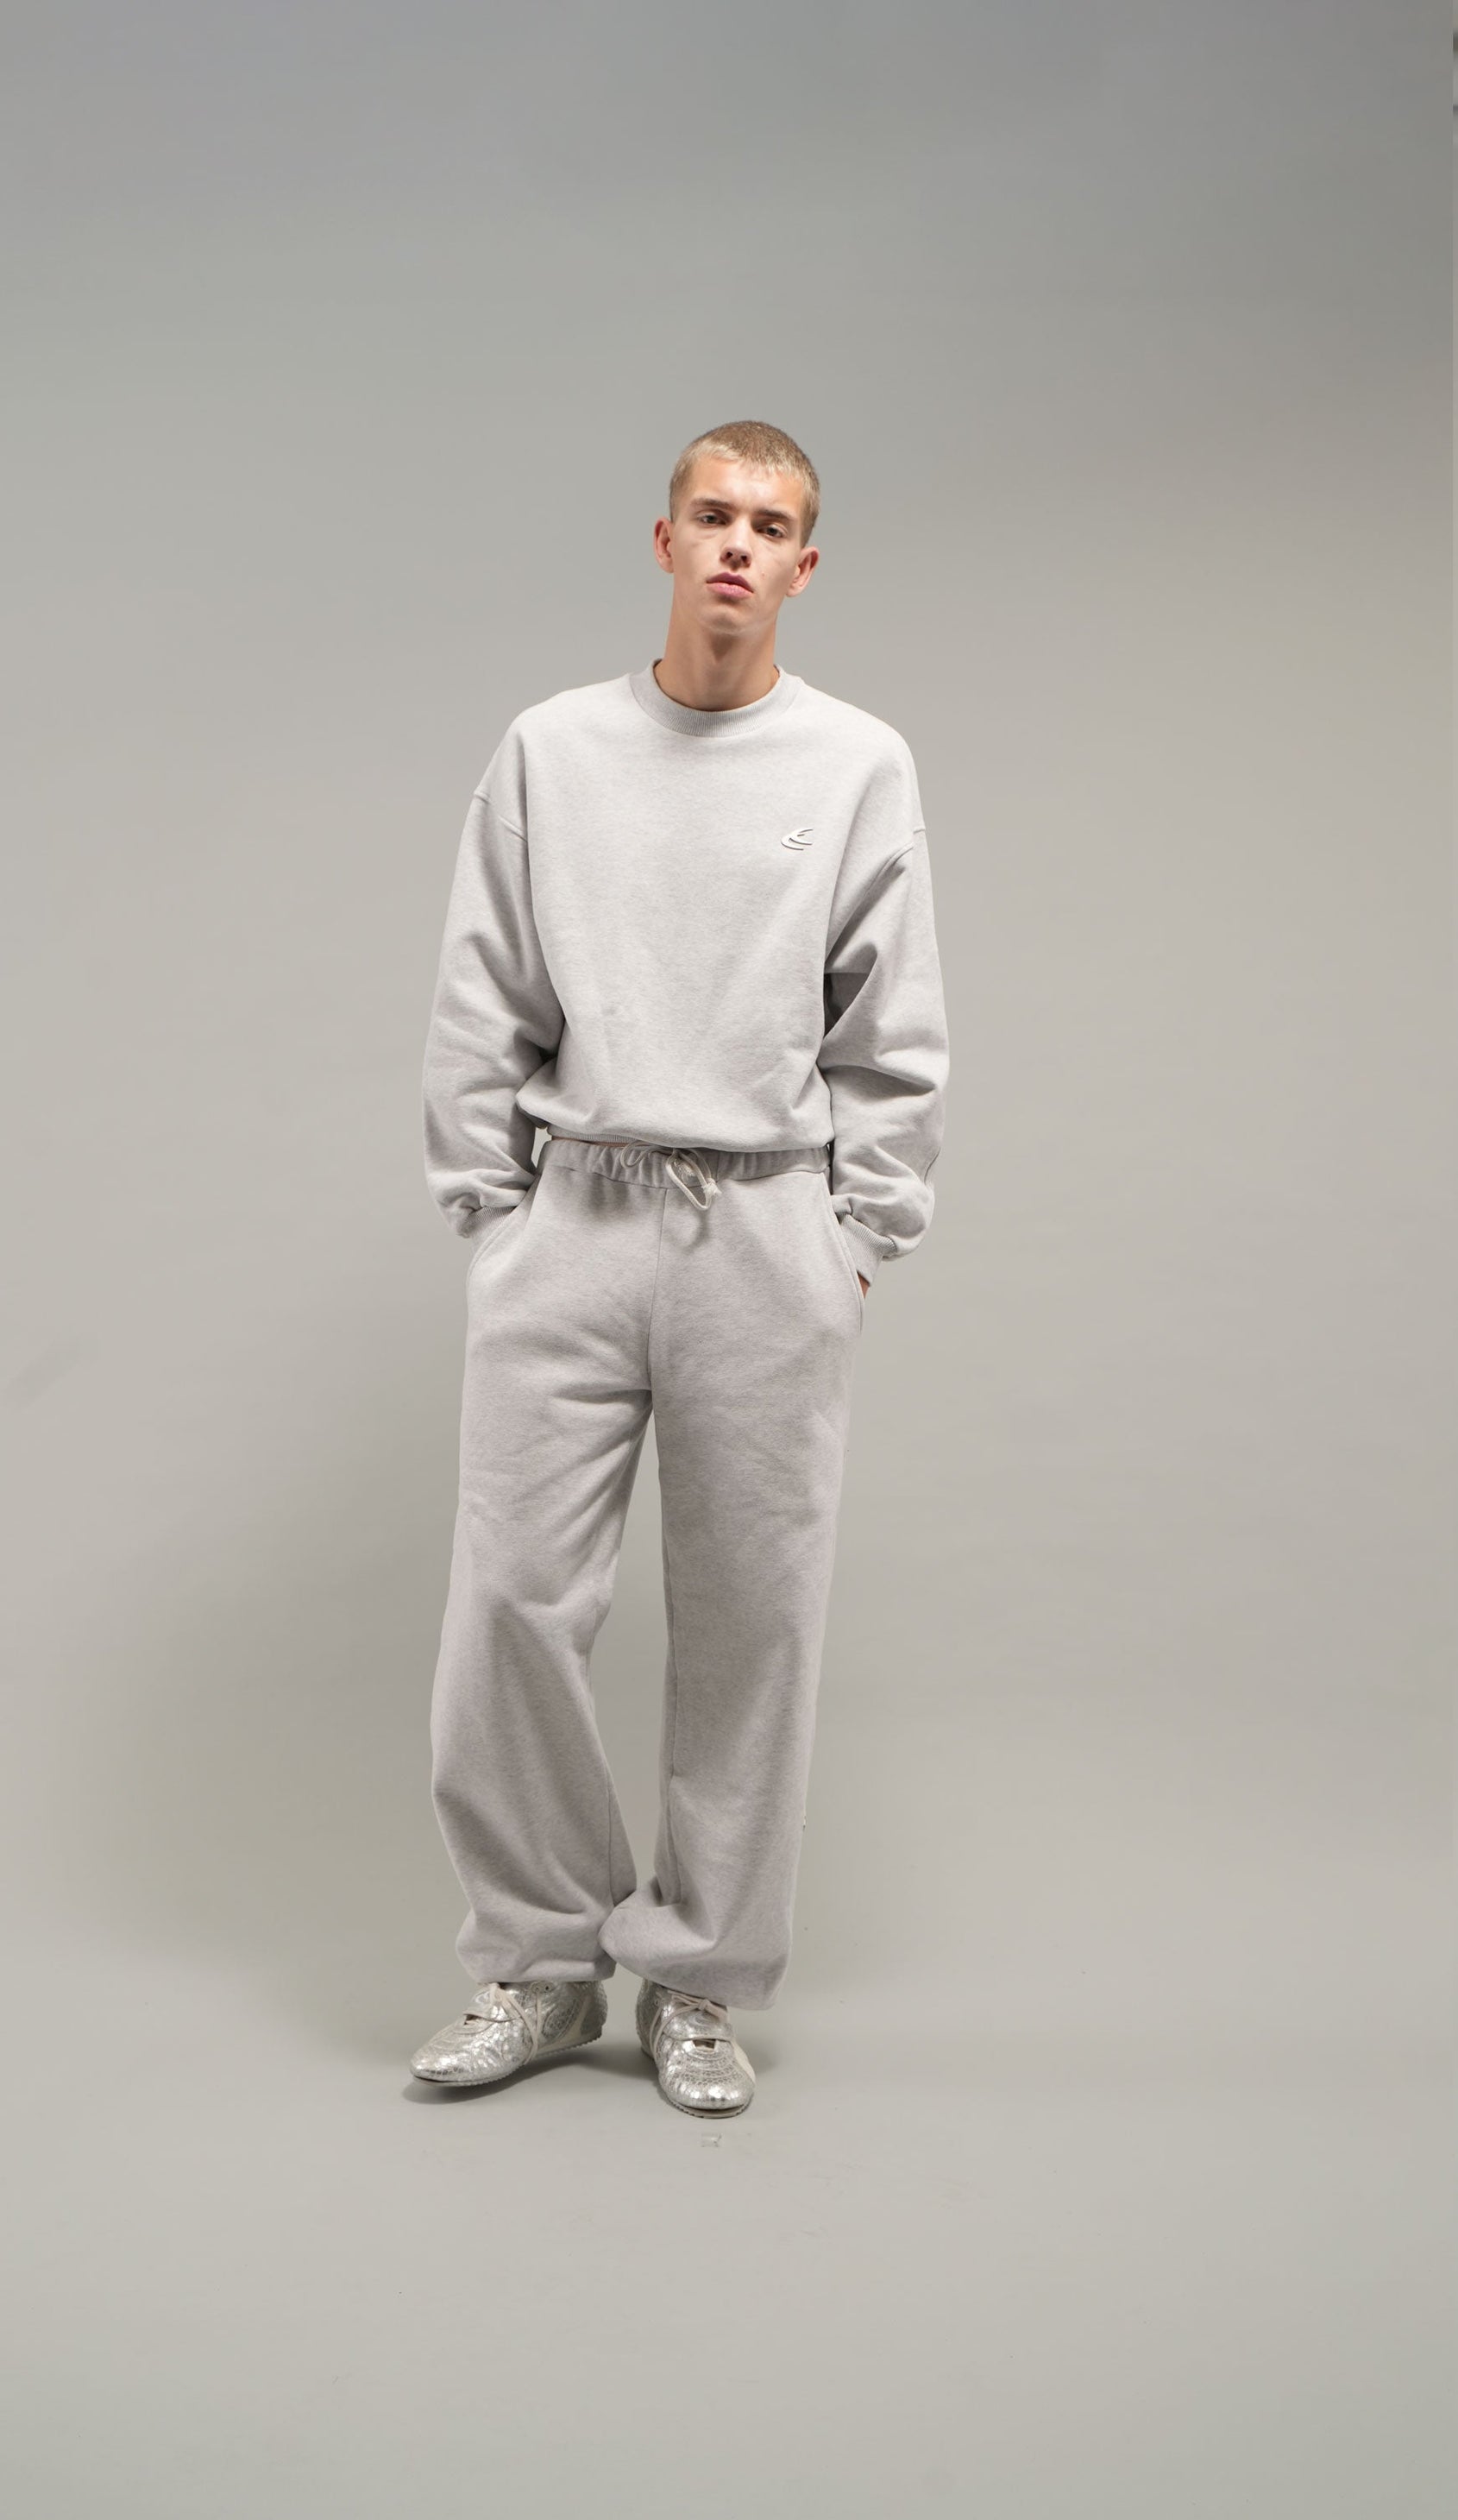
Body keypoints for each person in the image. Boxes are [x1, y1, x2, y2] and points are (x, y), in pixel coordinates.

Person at [410, 420, 948, 2115]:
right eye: (711, 515)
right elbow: (482, 985)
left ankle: (698, 1977)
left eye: (769, 525)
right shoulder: (552, 749)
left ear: (804, 564)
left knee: (752, 1624)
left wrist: (856, 1240)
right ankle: (539, 1960)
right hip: (570, 1220)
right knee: (509, 1602)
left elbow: (892, 1022)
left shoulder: (855, 763)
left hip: (765, 1234)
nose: (736, 544)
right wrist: (491, 1212)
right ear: (662, 541)